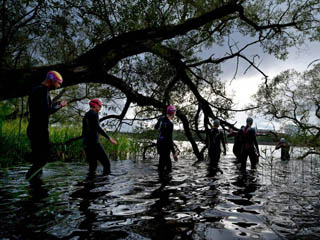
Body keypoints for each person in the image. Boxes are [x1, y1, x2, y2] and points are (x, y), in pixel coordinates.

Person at [26, 70, 67, 183]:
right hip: (39, 130)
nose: (58, 86)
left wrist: (55, 104)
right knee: (43, 159)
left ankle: (35, 185)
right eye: (58, 83)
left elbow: (40, 108)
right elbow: (46, 111)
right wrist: (60, 106)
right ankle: (29, 179)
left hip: (33, 128)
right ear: (52, 80)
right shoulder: (43, 91)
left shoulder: (36, 89)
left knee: (37, 159)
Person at [82, 98, 118, 176]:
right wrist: (109, 138)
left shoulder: (86, 115)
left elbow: (85, 131)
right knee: (107, 164)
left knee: (92, 166)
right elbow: (97, 127)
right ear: (95, 105)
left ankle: (89, 185)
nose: (100, 108)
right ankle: (104, 184)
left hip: (86, 144)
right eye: (100, 106)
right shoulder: (94, 114)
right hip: (94, 144)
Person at [155, 105, 178, 180]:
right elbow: (169, 139)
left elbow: (156, 127)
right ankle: (165, 184)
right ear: (173, 113)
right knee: (168, 166)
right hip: (165, 145)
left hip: (159, 143)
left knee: (161, 162)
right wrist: (174, 153)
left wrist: (160, 121)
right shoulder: (170, 124)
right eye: (174, 113)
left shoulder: (161, 119)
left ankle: (160, 179)